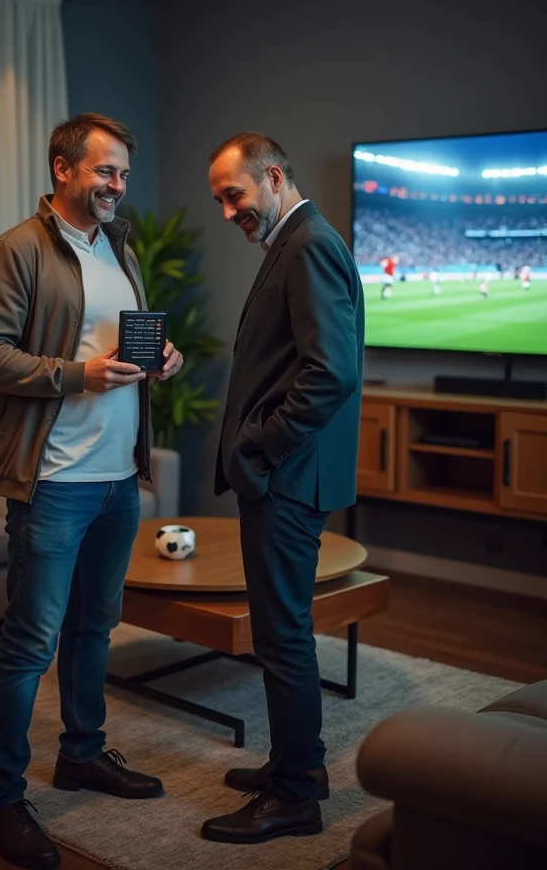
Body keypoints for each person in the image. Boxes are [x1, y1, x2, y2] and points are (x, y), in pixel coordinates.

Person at [0, 112, 183, 870]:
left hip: (118, 476)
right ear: (63, 169)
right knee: (28, 644)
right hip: (53, 479)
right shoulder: (18, 249)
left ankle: (83, 752)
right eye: (104, 171)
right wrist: (76, 375)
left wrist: (162, 356)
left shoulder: (116, 247)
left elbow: (116, 343)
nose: (118, 185)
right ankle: (1, 801)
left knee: (94, 630)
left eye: (123, 172)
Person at [201, 132, 364, 845]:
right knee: (283, 632)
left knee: (282, 638)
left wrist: (259, 446)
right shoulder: (294, 243)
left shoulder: (308, 244)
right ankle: (300, 766)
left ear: (272, 177)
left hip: (287, 477)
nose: (227, 211)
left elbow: (331, 371)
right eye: (220, 200)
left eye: (233, 194)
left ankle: (295, 797)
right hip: (286, 475)